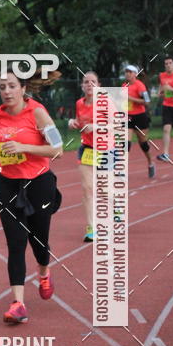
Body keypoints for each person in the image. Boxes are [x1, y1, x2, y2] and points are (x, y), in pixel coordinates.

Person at [0, 70, 63, 324]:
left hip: (39, 183)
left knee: (38, 240)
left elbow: (58, 150)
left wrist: (25, 147)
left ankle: (44, 272)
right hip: (8, 184)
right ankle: (18, 303)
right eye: (2, 87)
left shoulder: (38, 113)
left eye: (12, 86)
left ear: (23, 88)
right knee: (15, 242)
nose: (7, 91)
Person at [67, 71, 105, 242]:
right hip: (88, 149)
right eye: (86, 82)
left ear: (99, 85)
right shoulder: (79, 103)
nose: (89, 84)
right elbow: (79, 121)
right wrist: (72, 123)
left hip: (106, 149)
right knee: (87, 189)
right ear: (82, 86)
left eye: (93, 82)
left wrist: (96, 127)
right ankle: (91, 227)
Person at [122, 65, 155, 178]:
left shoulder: (140, 86)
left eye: (130, 72)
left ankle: (150, 163)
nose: (127, 74)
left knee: (143, 143)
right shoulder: (124, 85)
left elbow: (147, 102)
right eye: (126, 72)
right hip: (128, 117)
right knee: (126, 143)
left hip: (140, 117)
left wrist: (131, 99)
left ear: (135, 74)